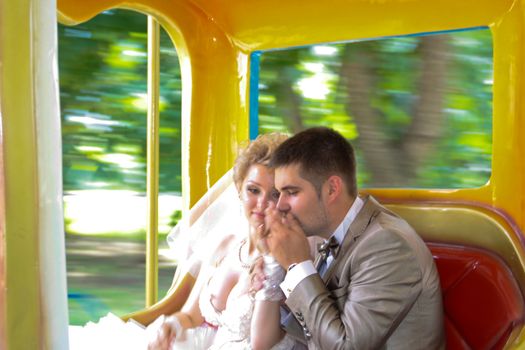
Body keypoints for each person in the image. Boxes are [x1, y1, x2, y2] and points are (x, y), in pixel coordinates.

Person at [257, 127, 445, 349]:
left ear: (332, 189)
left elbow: (346, 346)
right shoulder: (318, 237)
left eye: (292, 192)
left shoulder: (388, 245)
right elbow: (307, 334)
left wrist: (298, 266)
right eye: (280, 193)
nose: (280, 206)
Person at [148, 132, 296, 350]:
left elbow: (265, 343)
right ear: (239, 190)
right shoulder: (226, 244)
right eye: (253, 190)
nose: (262, 203)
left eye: (274, 194)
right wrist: (172, 325)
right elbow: (190, 316)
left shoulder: (287, 259)